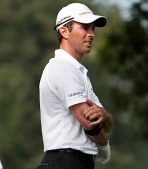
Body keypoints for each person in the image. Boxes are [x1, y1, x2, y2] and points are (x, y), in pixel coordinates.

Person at [38, 3, 113, 169]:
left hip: (75, 161)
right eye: (85, 27)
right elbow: (90, 123)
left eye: (93, 28)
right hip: (64, 161)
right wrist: (104, 144)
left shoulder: (78, 72)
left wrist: (105, 115)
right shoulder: (61, 66)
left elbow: (105, 122)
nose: (91, 34)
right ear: (64, 31)